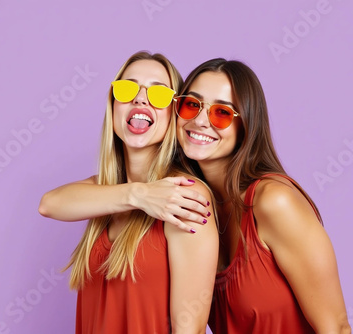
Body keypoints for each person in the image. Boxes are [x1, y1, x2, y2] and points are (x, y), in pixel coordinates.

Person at [38, 51, 218, 334]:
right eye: (127, 89)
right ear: (113, 105)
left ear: (175, 113)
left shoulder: (183, 196)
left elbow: (189, 329)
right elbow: (49, 204)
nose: (140, 98)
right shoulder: (105, 191)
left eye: (159, 94)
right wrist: (138, 195)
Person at [173, 58, 351, 333]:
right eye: (192, 105)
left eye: (221, 112)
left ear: (246, 126)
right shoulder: (194, 207)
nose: (199, 121)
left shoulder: (273, 202)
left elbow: (336, 327)